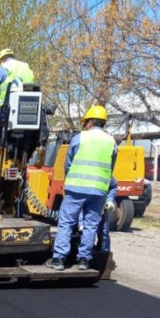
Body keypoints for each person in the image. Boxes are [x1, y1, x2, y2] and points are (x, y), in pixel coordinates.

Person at [47, 105, 117, 271]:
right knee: (91, 225)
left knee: (66, 223)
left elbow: (68, 163)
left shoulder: (79, 138)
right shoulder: (111, 141)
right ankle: (84, 260)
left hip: (76, 188)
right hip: (98, 190)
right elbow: (110, 167)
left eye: (85, 122)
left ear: (90, 122)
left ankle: (59, 259)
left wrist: (70, 179)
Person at [0, 48, 35, 146]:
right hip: (28, 112)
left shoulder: (2, 69)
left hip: (7, 110)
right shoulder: (26, 67)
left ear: (1, 60)